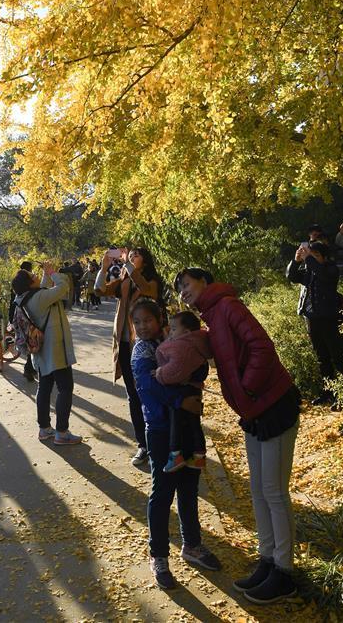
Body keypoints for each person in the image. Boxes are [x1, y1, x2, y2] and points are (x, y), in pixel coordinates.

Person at [175, 268, 300, 605]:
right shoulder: (211, 317)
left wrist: (248, 387)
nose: (183, 290)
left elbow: (261, 346)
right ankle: (268, 560)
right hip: (253, 411)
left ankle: (285, 573)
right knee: (259, 490)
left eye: (186, 283)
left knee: (274, 491)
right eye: (179, 288)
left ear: (204, 282)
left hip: (273, 405)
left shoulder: (228, 305)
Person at [131, 298, 221, 591]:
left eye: (148, 320)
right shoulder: (142, 351)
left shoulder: (177, 338)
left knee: (189, 485)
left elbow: (199, 366)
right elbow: (147, 385)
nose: (143, 326)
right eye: (138, 323)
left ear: (160, 320)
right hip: (160, 431)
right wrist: (181, 400)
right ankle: (158, 556)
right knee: (163, 490)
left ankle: (192, 545)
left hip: (189, 428)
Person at [94, 246, 163, 467]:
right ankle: (143, 444)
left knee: (152, 391)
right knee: (133, 395)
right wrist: (104, 267)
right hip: (125, 344)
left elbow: (147, 289)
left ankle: (160, 442)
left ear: (146, 259)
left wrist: (129, 266)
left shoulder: (151, 279)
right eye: (130, 254)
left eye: (137, 254)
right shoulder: (124, 279)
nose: (132, 257)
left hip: (147, 345)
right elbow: (99, 290)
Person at [12, 262, 82, 445]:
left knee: (44, 388)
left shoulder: (25, 297)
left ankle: (44, 429)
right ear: (29, 284)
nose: (35, 275)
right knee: (65, 389)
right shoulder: (40, 298)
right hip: (55, 350)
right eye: (32, 275)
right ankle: (62, 432)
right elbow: (63, 288)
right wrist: (53, 273)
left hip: (40, 352)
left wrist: (45, 274)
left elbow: (41, 288)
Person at [286, 241, 343, 405]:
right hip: (312, 320)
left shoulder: (330, 269)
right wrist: (296, 260)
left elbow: (323, 275)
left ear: (325, 258)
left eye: (316, 256)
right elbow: (291, 276)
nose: (310, 259)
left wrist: (308, 259)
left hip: (330, 319)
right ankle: (328, 393)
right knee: (322, 358)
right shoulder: (310, 271)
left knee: (338, 358)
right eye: (310, 255)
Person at [153, 311, 212, 472]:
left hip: (182, 392)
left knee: (176, 421)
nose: (170, 332)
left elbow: (174, 370)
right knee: (194, 423)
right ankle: (199, 456)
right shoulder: (199, 342)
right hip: (195, 389)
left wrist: (159, 373)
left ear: (186, 333)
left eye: (173, 329)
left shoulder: (183, 346)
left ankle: (175, 454)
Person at [9, 262, 37, 382]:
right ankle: (29, 369)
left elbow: (12, 302)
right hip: (29, 317)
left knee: (28, 343)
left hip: (18, 315)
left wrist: (11, 319)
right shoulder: (29, 281)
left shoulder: (16, 280)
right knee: (32, 343)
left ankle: (29, 369)